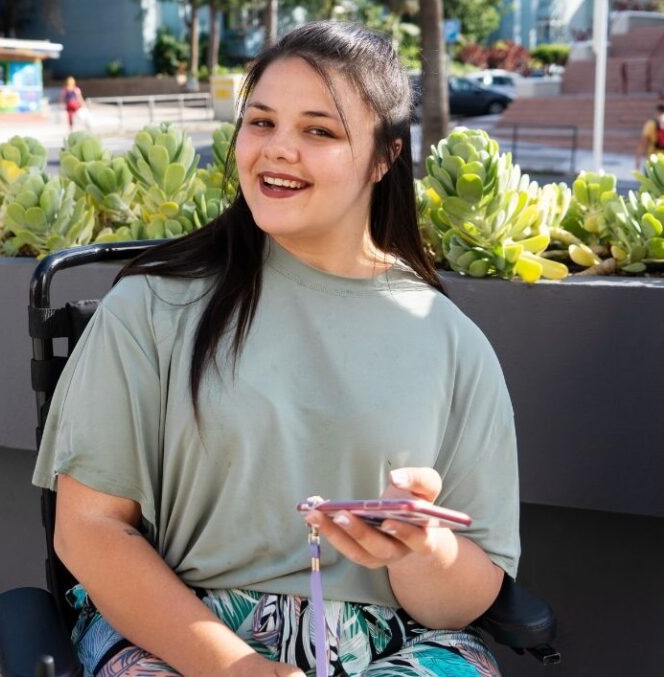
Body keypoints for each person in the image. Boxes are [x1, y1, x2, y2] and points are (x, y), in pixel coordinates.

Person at [34, 21, 519, 677]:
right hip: (181, 636)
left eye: (319, 130)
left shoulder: (451, 341)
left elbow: (463, 601)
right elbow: (89, 528)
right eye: (260, 122)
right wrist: (241, 668)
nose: (277, 150)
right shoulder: (151, 307)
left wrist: (421, 548)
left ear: (383, 157)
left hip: (387, 647)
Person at [635, 103, 664, 169]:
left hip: (653, 161)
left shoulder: (651, 124)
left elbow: (642, 144)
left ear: (657, 112)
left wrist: (637, 162)